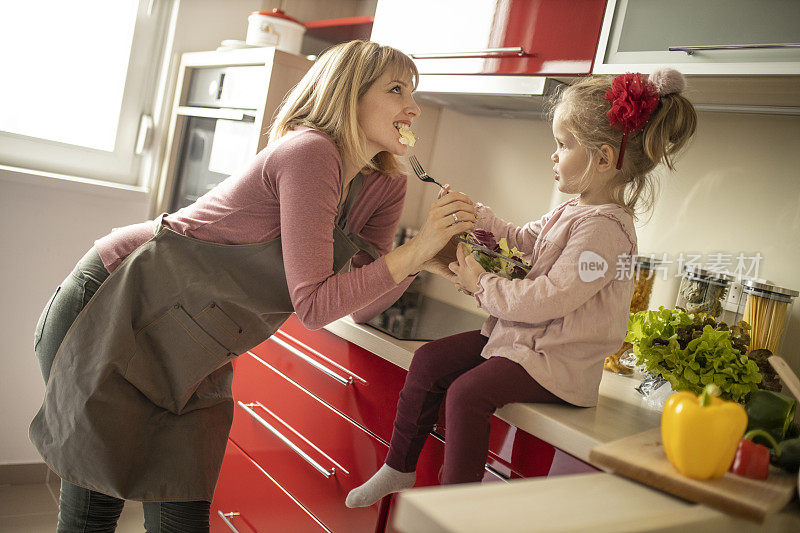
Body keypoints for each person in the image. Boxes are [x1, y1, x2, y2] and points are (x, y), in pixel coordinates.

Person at [30, 40, 476, 532]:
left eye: (413, 92)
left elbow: (359, 306)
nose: (412, 107)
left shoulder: (386, 183)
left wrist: (421, 261)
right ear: (350, 95)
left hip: (198, 346)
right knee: (92, 513)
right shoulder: (311, 154)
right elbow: (313, 306)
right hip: (119, 307)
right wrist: (410, 254)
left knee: (181, 515)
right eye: (397, 89)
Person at [346, 68, 697, 507]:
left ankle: (459, 512)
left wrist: (481, 283)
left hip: (558, 361)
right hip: (526, 343)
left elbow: (549, 298)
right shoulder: (575, 210)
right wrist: (478, 214)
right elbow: (525, 242)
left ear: (604, 159)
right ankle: (397, 468)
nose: (554, 155)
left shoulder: (607, 232)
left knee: (467, 394)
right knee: (430, 361)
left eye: (563, 144)